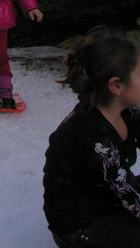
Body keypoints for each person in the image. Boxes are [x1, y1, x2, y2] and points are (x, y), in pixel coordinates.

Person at [43, 28, 140, 248]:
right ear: (116, 86)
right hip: (80, 227)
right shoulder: (97, 139)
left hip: (105, 195)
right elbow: (131, 196)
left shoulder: (122, 109)